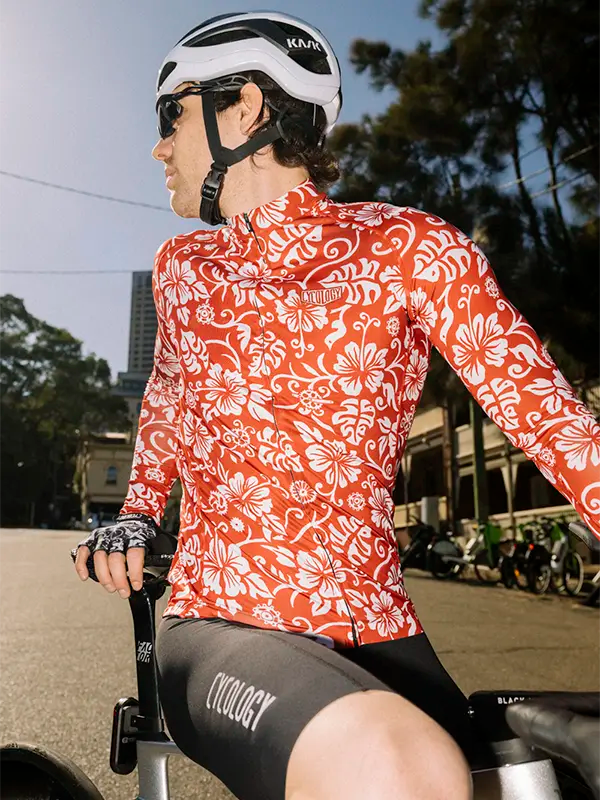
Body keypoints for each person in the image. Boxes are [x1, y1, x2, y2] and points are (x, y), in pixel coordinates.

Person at [72, 11, 600, 800]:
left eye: (170, 114)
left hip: (378, 626)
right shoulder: (185, 267)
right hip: (223, 619)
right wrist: (138, 512)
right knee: (394, 769)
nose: (159, 146)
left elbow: (548, 416)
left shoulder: (412, 247)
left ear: (245, 108)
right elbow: (170, 397)